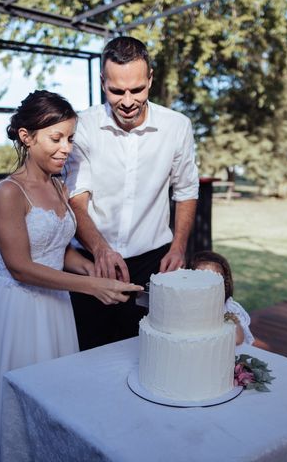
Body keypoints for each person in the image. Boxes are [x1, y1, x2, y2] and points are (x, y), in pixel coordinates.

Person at [0, 90, 142, 462]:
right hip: (20, 313)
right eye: (56, 138)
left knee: (57, 405)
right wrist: (92, 286)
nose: (65, 148)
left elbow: (60, 249)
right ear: (26, 137)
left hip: (56, 308)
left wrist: (94, 269)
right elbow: (21, 266)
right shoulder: (8, 193)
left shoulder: (58, 185)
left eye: (70, 138)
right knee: (20, 405)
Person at [66, 36, 200, 350]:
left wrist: (179, 247)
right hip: (91, 259)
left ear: (150, 79)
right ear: (102, 83)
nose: (127, 101)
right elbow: (76, 199)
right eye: (116, 91)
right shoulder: (82, 126)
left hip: (153, 262)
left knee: (149, 357)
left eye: (137, 89)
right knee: (91, 355)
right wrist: (100, 249)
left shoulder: (177, 127)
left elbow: (186, 189)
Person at [190, 250, 255, 346]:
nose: (208, 285)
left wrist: (225, 316)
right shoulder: (187, 306)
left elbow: (237, 339)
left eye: (216, 278)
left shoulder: (227, 309)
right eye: (201, 277)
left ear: (224, 284)